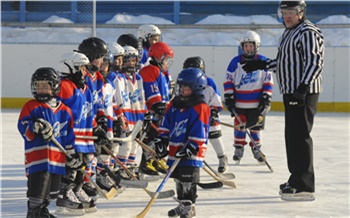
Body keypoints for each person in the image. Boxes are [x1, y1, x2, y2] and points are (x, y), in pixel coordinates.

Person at [241, 1, 324, 201]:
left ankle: (304, 185)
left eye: (292, 12)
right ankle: (295, 180)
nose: (287, 16)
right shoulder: (289, 32)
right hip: (291, 92)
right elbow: (286, 63)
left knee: (300, 136)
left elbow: (315, 62)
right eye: (284, 12)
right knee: (292, 136)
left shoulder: (308, 32)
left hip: (302, 93)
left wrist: (303, 87)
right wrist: (262, 64)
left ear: (301, 12)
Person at [18, 67, 75, 217]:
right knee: (36, 196)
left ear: (54, 86)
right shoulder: (31, 106)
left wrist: (72, 154)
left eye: (45, 85)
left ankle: (42, 213)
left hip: (57, 161)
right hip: (38, 160)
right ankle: (35, 213)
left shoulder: (65, 111)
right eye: (38, 85)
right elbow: (22, 125)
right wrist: (34, 126)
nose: (41, 89)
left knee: (50, 196)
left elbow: (69, 136)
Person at [154, 67, 209, 218]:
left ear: (196, 88)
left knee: (188, 178)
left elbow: (200, 130)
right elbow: (166, 123)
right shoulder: (174, 105)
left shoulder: (200, 107)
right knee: (178, 177)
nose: (182, 90)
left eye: (186, 87)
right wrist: (162, 139)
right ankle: (182, 203)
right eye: (181, 86)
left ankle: (189, 205)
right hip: (175, 147)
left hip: (192, 151)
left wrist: (191, 147)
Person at [56, 52, 101, 214]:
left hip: (85, 135)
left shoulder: (85, 88)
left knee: (84, 163)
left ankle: (76, 189)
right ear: (70, 68)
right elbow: (58, 113)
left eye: (85, 68)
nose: (85, 71)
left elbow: (90, 111)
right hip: (70, 136)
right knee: (72, 165)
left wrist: (96, 129)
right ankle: (64, 194)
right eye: (81, 68)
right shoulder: (64, 86)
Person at [223, 30, 274, 165]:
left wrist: (266, 98)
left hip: (256, 104)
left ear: (256, 46)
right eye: (246, 46)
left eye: (251, 45)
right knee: (240, 127)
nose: (248, 48)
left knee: (256, 128)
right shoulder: (235, 62)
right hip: (240, 104)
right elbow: (228, 81)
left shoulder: (263, 61)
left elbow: (268, 82)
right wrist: (229, 97)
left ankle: (257, 149)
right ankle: (239, 149)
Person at [183, 56, 229, 173]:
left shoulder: (209, 83)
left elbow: (216, 101)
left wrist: (213, 112)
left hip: (207, 116)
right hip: (191, 117)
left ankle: (222, 157)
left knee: (214, 133)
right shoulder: (183, 83)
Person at [138, 41, 174, 176]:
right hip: (150, 112)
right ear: (159, 57)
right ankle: (146, 160)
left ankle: (155, 159)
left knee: (163, 133)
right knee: (154, 134)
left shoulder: (162, 72)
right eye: (166, 59)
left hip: (160, 112)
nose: (167, 62)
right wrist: (160, 106)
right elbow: (154, 99)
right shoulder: (150, 70)